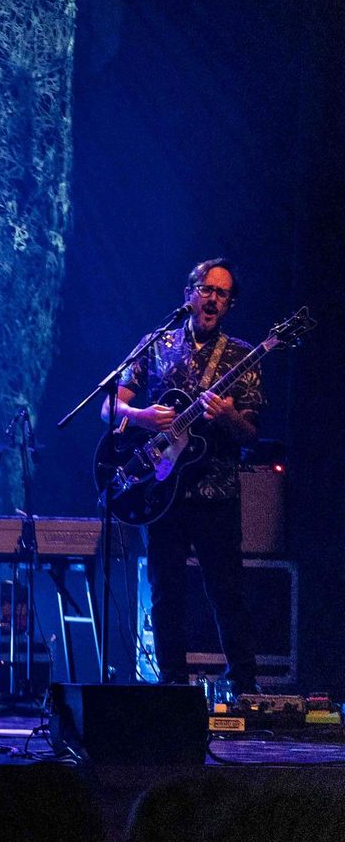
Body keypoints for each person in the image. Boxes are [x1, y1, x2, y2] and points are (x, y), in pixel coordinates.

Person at [104, 258, 263, 691]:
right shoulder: (156, 344)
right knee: (164, 593)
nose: (213, 299)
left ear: (230, 304)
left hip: (217, 492)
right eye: (206, 289)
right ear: (189, 294)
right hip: (163, 492)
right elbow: (109, 406)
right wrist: (140, 416)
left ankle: (245, 687)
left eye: (222, 293)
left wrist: (229, 416)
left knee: (226, 593)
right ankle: (173, 687)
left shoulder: (243, 355)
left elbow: (251, 432)